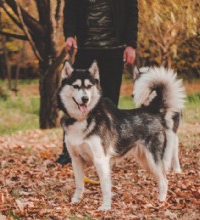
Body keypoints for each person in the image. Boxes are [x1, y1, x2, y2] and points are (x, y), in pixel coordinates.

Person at [56, 0, 138, 164]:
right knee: (76, 101)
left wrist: (131, 44)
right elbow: (70, 9)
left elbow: (131, 12)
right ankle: (69, 152)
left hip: (114, 49)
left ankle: (106, 149)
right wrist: (70, 35)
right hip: (86, 49)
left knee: (109, 102)